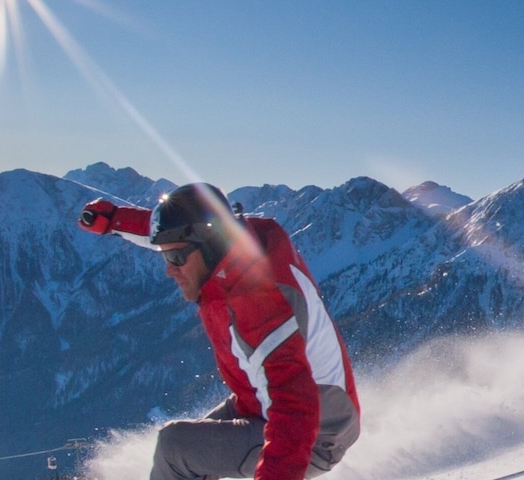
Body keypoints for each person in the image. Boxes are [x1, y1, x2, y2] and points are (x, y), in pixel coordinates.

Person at [77, 184, 361, 480]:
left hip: (317, 432)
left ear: (210, 246)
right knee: (186, 454)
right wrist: (114, 221)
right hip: (265, 403)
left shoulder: (258, 302)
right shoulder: (239, 241)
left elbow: (295, 410)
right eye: (165, 257)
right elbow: (179, 233)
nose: (169, 271)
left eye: (175, 260)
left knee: (174, 449)